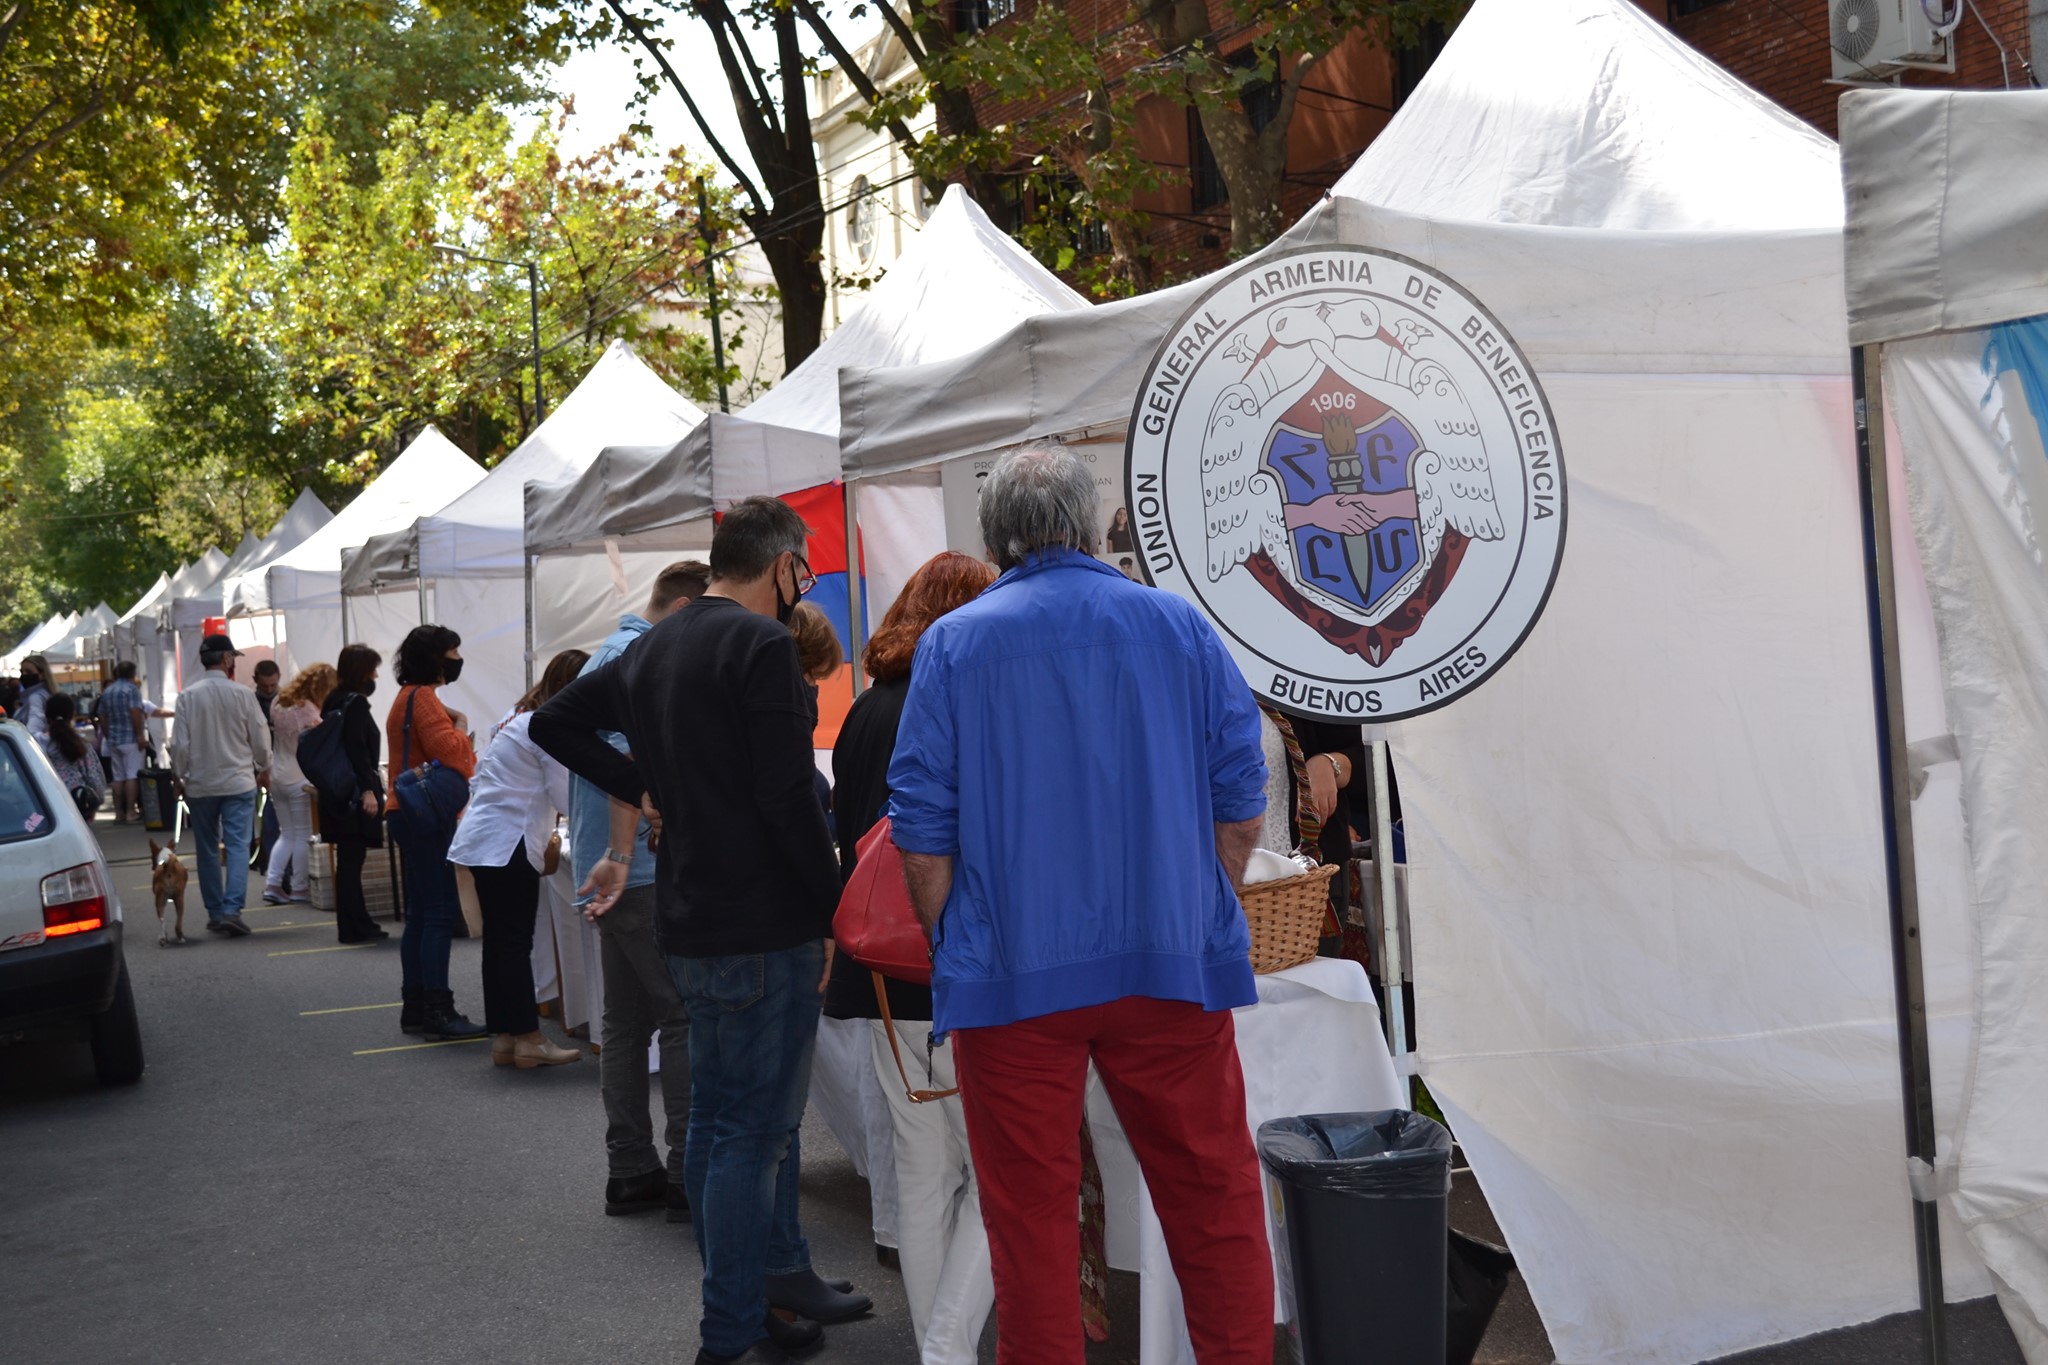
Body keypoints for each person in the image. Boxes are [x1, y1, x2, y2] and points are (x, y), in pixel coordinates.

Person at [889, 445, 1274, 1365]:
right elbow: (1242, 794)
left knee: (1029, 1218)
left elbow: (922, 827)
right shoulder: (1178, 626)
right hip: (1165, 961)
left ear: (999, 535)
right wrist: (1200, 899)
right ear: (1084, 518)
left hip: (1014, 972)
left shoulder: (954, 642)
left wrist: (954, 936)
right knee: (1212, 1197)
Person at [533, 497, 872, 1365]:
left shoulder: (659, 643)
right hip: (760, 921)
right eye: (806, 567)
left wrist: (648, 784)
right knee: (747, 1134)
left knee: (736, 1126)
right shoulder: (758, 644)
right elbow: (788, 797)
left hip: (697, 916)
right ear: (782, 563)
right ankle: (732, 1326)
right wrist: (835, 907)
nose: (810, 582)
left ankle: (772, 1291)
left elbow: (553, 720)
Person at [827, 550, 997, 1365]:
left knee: (924, 1178)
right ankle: (945, 1347)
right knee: (1003, 1183)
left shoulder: (865, 708)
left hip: (882, 977)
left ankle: (943, 1348)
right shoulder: (961, 697)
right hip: (958, 960)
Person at [564, 560, 708, 1221]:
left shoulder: (612, 649)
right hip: (637, 868)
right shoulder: (639, 655)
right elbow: (632, 768)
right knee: (680, 1014)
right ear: (683, 607)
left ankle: (631, 1166)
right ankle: (685, 1167)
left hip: (611, 861)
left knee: (626, 1023)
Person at [449, 649, 586, 1070]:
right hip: (506, 843)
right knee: (513, 944)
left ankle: (507, 1037)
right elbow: (566, 796)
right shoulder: (546, 727)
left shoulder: (515, 716)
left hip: (485, 838)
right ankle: (528, 1037)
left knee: (499, 944)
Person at [387, 624, 482, 1041]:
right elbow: (457, 757)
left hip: (406, 812)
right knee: (439, 914)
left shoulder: (406, 696)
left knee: (422, 915)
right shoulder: (423, 699)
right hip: (424, 815)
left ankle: (416, 1006)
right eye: (452, 653)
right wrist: (461, 726)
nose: (458, 660)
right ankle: (438, 1010)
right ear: (436, 659)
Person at [168, 634, 272, 939]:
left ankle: (215, 912)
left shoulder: (188, 696)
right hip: (238, 780)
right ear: (226, 659)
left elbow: (180, 745)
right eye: (233, 658)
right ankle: (231, 910)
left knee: (207, 849)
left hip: (201, 784)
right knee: (238, 845)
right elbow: (260, 738)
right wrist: (264, 767)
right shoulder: (242, 694)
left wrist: (179, 776)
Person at [318, 645, 388, 946]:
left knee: (347, 862)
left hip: (335, 791)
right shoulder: (355, 704)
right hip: (355, 793)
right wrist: (369, 790)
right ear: (362, 672)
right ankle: (354, 926)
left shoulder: (332, 700)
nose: (375, 675)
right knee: (352, 861)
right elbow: (359, 751)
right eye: (372, 669)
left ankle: (355, 922)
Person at [262, 664, 334, 905]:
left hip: (278, 776)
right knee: (303, 834)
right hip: (300, 778)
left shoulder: (278, 703)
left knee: (286, 834)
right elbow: (320, 742)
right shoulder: (308, 710)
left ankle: (273, 883)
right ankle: (299, 887)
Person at [40, 692, 107, 820]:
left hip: (47, 805)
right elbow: (94, 776)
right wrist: (96, 800)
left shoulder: (37, 744)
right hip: (78, 803)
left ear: (47, 716)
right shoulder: (81, 744)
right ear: (72, 715)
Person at [99, 661, 149, 824]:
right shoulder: (131, 689)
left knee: (118, 777)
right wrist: (140, 735)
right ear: (132, 673)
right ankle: (130, 812)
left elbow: (102, 716)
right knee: (132, 775)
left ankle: (119, 813)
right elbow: (135, 712)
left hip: (114, 739)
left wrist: (107, 735)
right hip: (130, 738)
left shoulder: (108, 691)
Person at [251, 659, 283, 873]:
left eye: (273, 685)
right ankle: (258, 857)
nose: (269, 690)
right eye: (264, 686)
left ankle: (269, 860)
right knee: (255, 817)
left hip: (280, 764)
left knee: (273, 818)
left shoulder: (286, 700)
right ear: (255, 681)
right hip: (253, 764)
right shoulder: (249, 701)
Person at [16, 654, 52, 742]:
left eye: (29, 672)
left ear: (42, 674)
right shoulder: (44, 694)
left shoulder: (35, 697)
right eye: (22, 672)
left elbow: (32, 732)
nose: (23, 675)